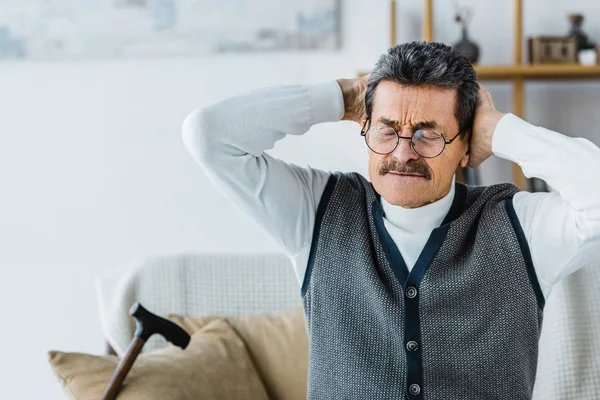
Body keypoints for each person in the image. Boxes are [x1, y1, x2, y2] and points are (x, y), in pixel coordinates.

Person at [182, 41, 600, 399]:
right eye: (386, 130)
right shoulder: (316, 211)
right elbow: (209, 134)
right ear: (364, 126)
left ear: (465, 144)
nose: (403, 153)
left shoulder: (517, 227)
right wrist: (343, 95)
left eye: (427, 134)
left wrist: (501, 130)